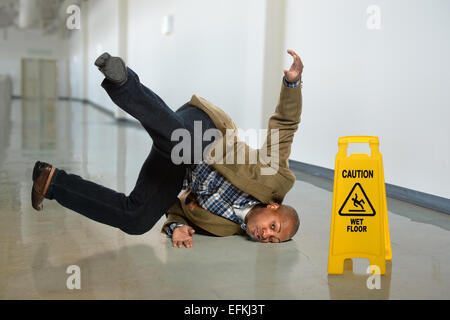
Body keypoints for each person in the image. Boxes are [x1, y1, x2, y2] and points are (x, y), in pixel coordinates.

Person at [31, 49, 304, 248]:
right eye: (273, 226)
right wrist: (292, 83)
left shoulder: (225, 228)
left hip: (177, 165)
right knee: (182, 141)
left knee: (136, 219)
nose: (266, 234)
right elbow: (284, 127)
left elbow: (177, 208)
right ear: (273, 206)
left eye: (273, 239)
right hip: (206, 132)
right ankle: (123, 83)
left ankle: (52, 182)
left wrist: (176, 227)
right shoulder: (274, 179)